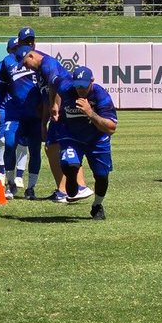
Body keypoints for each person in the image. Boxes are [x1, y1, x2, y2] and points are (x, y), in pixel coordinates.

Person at [13, 42, 82, 203]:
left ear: (31, 55)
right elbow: (46, 96)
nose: (27, 67)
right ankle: (64, 190)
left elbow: (58, 87)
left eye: (26, 63)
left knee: (65, 147)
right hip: (56, 113)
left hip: (64, 111)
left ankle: (75, 188)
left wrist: (56, 106)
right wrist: (44, 122)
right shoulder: (39, 72)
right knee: (52, 147)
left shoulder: (48, 64)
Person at [56, 66, 118, 220]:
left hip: (96, 138)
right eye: (77, 86)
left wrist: (90, 112)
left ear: (92, 82)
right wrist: (54, 105)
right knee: (69, 165)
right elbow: (54, 85)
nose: (80, 90)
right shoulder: (66, 88)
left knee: (102, 176)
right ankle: (72, 176)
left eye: (83, 86)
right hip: (70, 135)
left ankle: (97, 205)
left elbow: (111, 128)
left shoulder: (100, 95)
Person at [0, 27, 45, 199]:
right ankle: (10, 183)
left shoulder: (40, 59)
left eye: (32, 39)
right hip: (14, 113)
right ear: (19, 42)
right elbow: (2, 88)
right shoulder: (7, 62)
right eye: (26, 40)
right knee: (10, 144)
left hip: (35, 114)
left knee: (35, 150)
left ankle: (31, 187)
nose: (30, 43)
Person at [0, 37, 24, 197]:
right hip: (3, 109)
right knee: (3, 140)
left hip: (23, 109)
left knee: (23, 144)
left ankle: (20, 176)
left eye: (18, 47)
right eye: (13, 48)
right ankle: (1, 172)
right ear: (8, 50)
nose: (16, 50)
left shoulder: (26, 65)